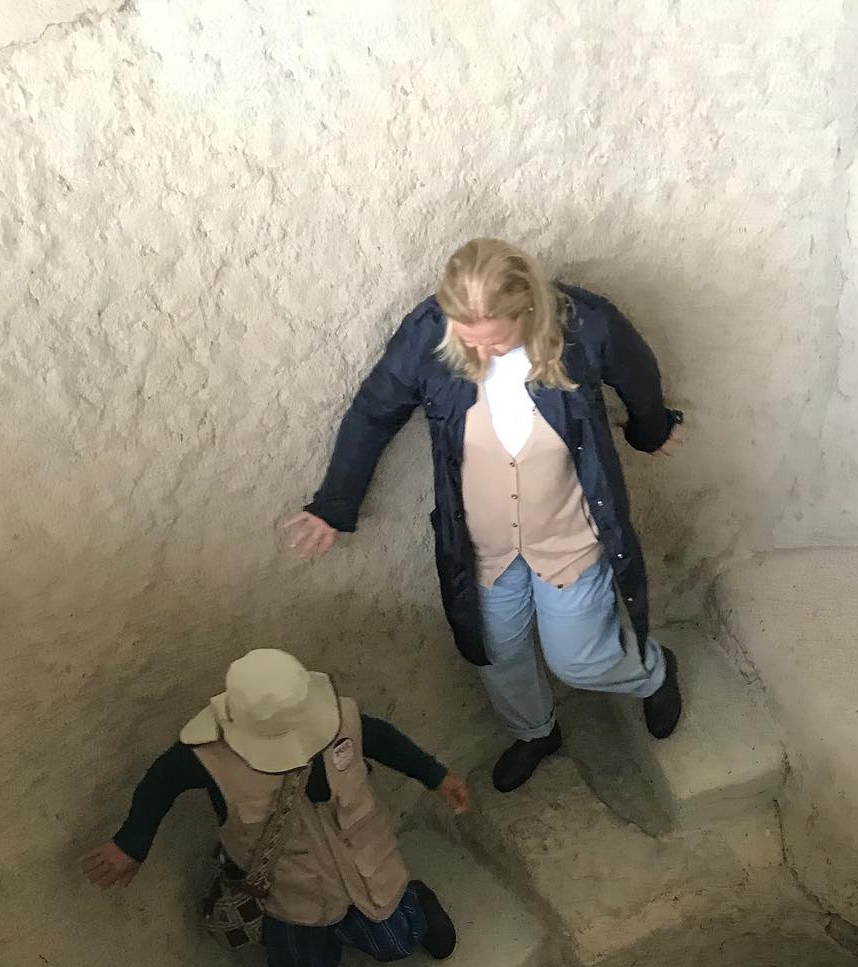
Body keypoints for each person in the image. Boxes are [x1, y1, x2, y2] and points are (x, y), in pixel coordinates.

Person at [285, 237, 684, 794]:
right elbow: (375, 410)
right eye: (466, 341)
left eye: (494, 342)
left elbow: (639, 375)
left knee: (578, 661)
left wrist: (652, 429)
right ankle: (536, 732)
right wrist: (333, 505)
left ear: (528, 310)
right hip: (483, 545)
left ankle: (653, 673)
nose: (481, 355)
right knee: (495, 652)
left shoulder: (585, 325)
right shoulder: (429, 332)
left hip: (568, 534)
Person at [81, 648, 470, 967]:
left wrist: (435, 776)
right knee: (297, 959)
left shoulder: (342, 720)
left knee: (394, 939)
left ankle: (417, 901)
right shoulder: (208, 757)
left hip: (363, 869)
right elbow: (160, 783)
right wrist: (131, 843)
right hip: (291, 889)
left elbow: (383, 740)